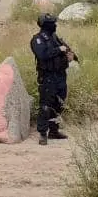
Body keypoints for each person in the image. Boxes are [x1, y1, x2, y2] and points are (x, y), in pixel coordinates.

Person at [30, 13, 73, 145]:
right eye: (52, 23)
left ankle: (54, 131)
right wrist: (59, 50)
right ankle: (43, 133)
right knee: (46, 106)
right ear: (45, 25)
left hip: (60, 75)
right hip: (48, 77)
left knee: (59, 104)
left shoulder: (55, 37)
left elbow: (66, 50)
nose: (55, 25)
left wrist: (70, 56)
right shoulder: (37, 40)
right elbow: (42, 55)